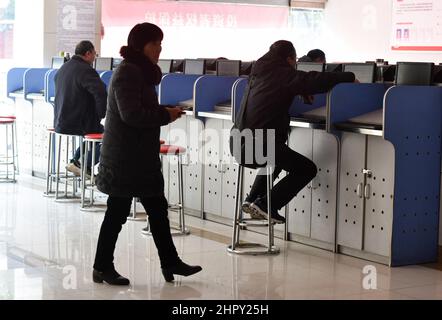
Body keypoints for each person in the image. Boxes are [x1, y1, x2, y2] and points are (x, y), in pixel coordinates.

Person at [93, 23, 202, 285]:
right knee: (117, 213)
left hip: (140, 156)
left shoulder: (139, 72)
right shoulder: (127, 73)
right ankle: (102, 267)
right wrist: (165, 115)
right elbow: (131, 114)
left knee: (157, 209)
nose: (159, 49)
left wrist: (164, 110)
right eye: (155, 43)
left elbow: (137, 108)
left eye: (160, 43)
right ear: (140, 45)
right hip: (125, 158)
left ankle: (170, 262)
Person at [231, 40, 355, 223]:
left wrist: (298, 90)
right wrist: (349, 77)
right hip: (260, 143)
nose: (295, 64)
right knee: (306, 169)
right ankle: (268, 205)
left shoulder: (259, 73)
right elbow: (314, 80)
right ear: (289, 58)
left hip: (240, 143)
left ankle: (253, 200)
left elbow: (283, 89)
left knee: (278, 157)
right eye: (294, 60)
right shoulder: (281, 73)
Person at [53, 40, 107, 176]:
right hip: (78, 121)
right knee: (110, 137)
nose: (95, 57)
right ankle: (85, 165)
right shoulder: (86, 70)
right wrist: (101, 114)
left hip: (62, 120)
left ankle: (75, 162)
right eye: (94, 54)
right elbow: (100, 92)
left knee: (94, 135)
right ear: (88, 53)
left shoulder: (64, 68)